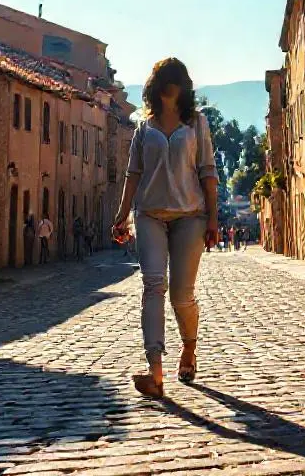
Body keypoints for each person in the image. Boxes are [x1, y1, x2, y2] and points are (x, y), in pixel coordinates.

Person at [113, 57, 219, 399]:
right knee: (152, 285)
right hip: (149, 215)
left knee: (181, 295)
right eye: (165, 82)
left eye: (176, 82)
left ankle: (189, 347)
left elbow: (208, 172)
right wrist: (122, 215)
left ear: (182, 87)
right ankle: (155, 372)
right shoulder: (144, 129)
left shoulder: (197, 123)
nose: (170, 88)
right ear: (156, 87)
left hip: (191, 216)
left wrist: (213, 218)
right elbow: (133, 174)